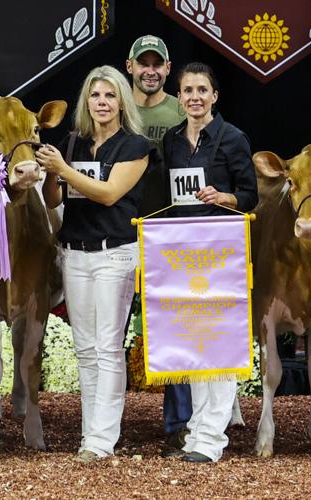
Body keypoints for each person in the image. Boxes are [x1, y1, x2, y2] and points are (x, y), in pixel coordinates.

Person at [34, 66, 153, 463]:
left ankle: (102, 439)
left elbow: (108, 194)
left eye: (110, 96)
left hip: (115, 253)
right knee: (84, 348)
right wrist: (50, 173)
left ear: (122, 102)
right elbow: (53, 200)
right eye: (95, 96)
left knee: (108, 347)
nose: (102, 103)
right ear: (87, 101)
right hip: (75, 251)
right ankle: (90, 433)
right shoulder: (73, 142)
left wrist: (64, 171)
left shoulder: (135, 146)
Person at [156, 62, 256, 463]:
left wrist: (224, 198)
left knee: (221, 344)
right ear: (179, 98)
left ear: (214, 96)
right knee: (194, 342)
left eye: (202, 90)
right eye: (187, 90)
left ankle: (212, 438)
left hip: (222, 250)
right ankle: (197, 433)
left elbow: (250, 195)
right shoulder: (172, 140)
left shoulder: (232, 138)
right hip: (183, 250)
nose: (194, 97)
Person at [124, 35, 192, 449]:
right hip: (117, 227)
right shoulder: (115, 106)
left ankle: (179, 423)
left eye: (158, 63)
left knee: (178, 329)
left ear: (168, 69)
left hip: (169, 230)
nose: (150, 69)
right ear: (129, 66)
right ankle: (104, 424)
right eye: (142, 63)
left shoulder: (182, 110)